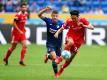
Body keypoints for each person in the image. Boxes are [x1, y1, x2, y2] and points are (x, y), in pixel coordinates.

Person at [54, 10, 94, 78]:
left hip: (78, 42)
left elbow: (92, 27)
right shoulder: (69, 21)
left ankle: (61, 70)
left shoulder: (83, 20)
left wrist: (84, 25)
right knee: (70, 42)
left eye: (74, 18)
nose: (73, 19)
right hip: (69, 37)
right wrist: (57, 33)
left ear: (78, 16)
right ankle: (60, 58)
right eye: (72, 18)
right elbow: (62, 28)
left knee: (69, 60)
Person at [38, 7, 64, 76]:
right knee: (55, 58)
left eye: (56, 16)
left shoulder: (61, 23)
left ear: (58, 16)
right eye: (53, 16)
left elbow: (67, 28)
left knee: (59, 60)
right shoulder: (48, 21)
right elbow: (39, 15)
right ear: (51, 16)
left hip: (58, 44)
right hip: (50, 44)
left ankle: (47, 55)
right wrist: (45, 10)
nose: (55, 17)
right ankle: (56, 74)